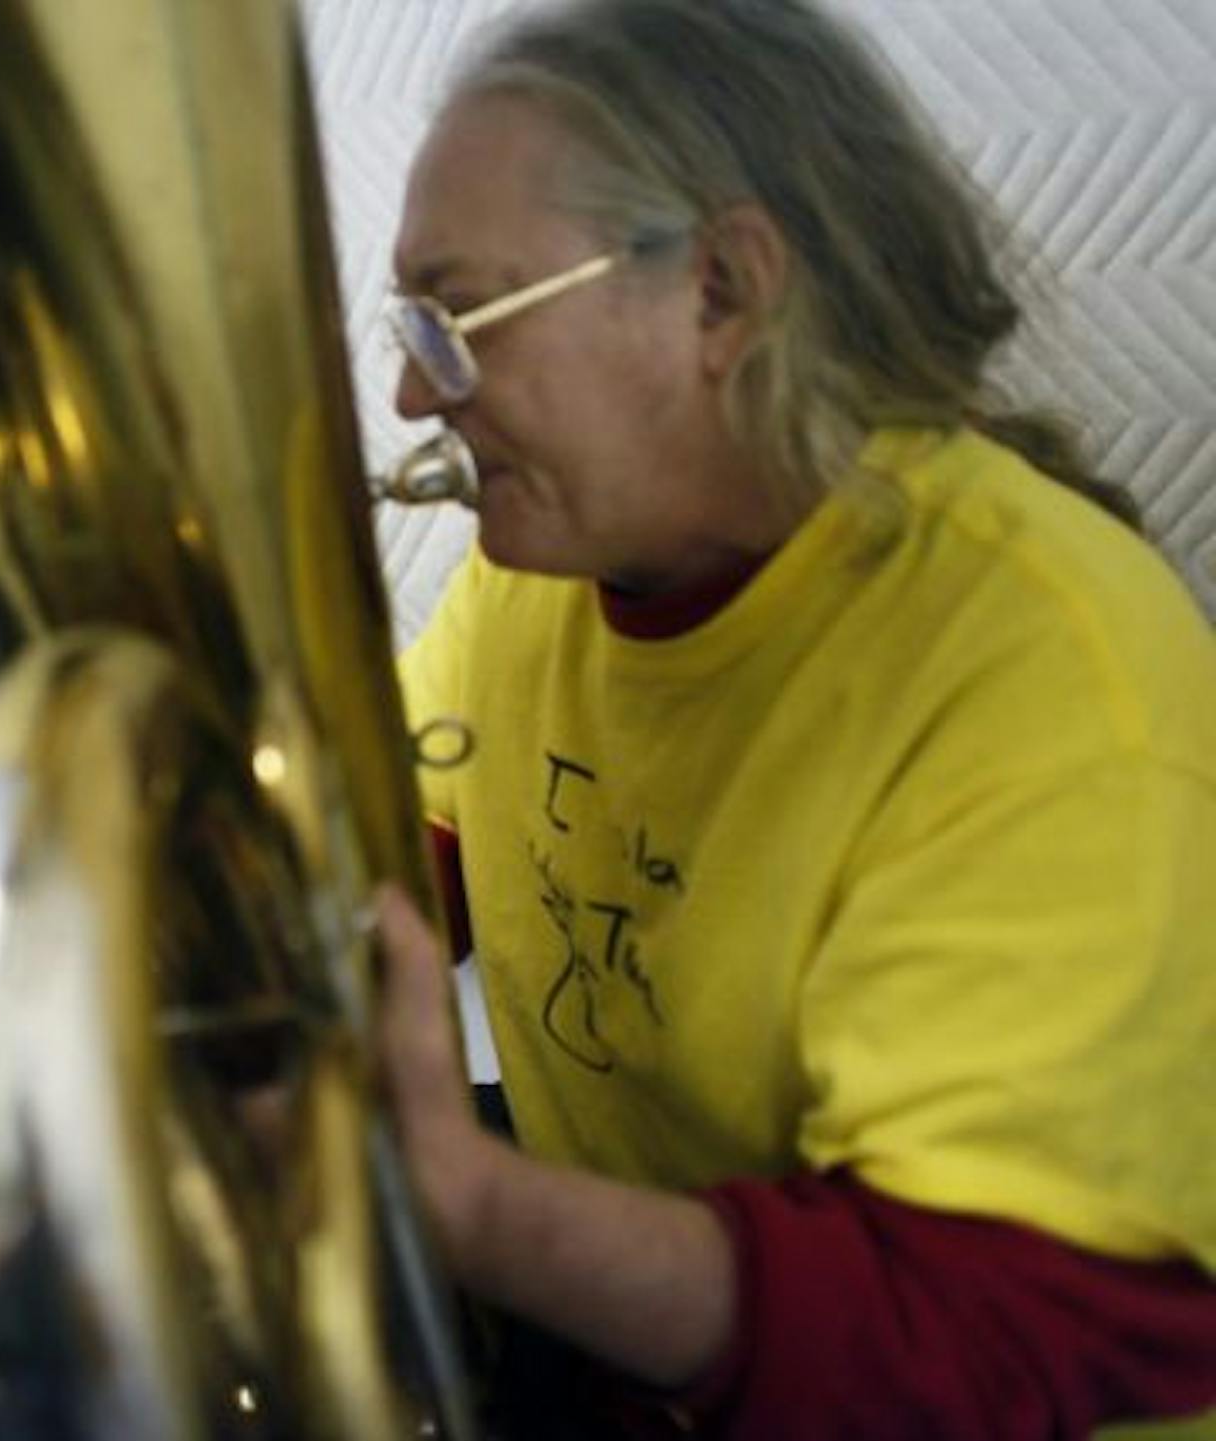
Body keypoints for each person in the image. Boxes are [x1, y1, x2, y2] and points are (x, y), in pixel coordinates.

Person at [367, 2, 1216, 1436]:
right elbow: (404, 841)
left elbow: (977, 1345)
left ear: (721, 290)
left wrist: (472, 1207)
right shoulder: (547, 580)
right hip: (648, 1344)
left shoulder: (1049, 685)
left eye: (457, 321)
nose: (409, 391)